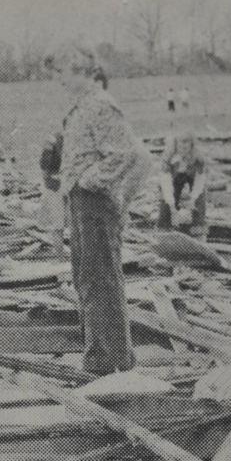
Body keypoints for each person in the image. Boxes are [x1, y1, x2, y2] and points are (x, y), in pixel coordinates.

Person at [52, 53, 150, 376]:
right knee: (88, 280)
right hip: (82, 203)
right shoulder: (82, 106)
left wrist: (88, 181)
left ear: (83, 71)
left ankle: (109, 364)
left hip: (93, 202)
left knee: (100, 282)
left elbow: (126, 154)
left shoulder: (100, 105)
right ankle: (103, 358)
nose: (58, 78)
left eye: (62, 70)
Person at [157, 126, 207, 236]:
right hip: (173, 178)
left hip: (192, 176)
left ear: (191, 145)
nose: (183, 149)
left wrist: (193, 198)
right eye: (180, 146)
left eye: (186, 146)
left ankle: (198, 229)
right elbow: (166, 183)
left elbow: (199, 181)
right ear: (175, 144)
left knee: (200, 197)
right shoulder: (168, 157)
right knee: (166, 200)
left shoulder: (199, 158)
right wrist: (171, 206)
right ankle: (164, 228)